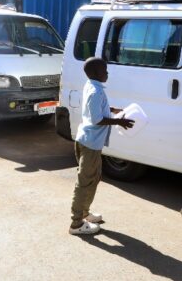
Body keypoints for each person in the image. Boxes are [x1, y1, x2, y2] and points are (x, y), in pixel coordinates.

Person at [69, 57, 134, 236]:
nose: (107, 73)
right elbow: (97, 119)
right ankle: (76, 224)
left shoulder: (91, 85)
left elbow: (95, 109)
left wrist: (111, 109)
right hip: (90, 143)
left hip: (89, 141)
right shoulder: (96, 91)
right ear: (97, 73)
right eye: (105, 70)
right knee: (84, 181)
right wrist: (119, 121)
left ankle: (84, 213)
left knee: (93, 178)